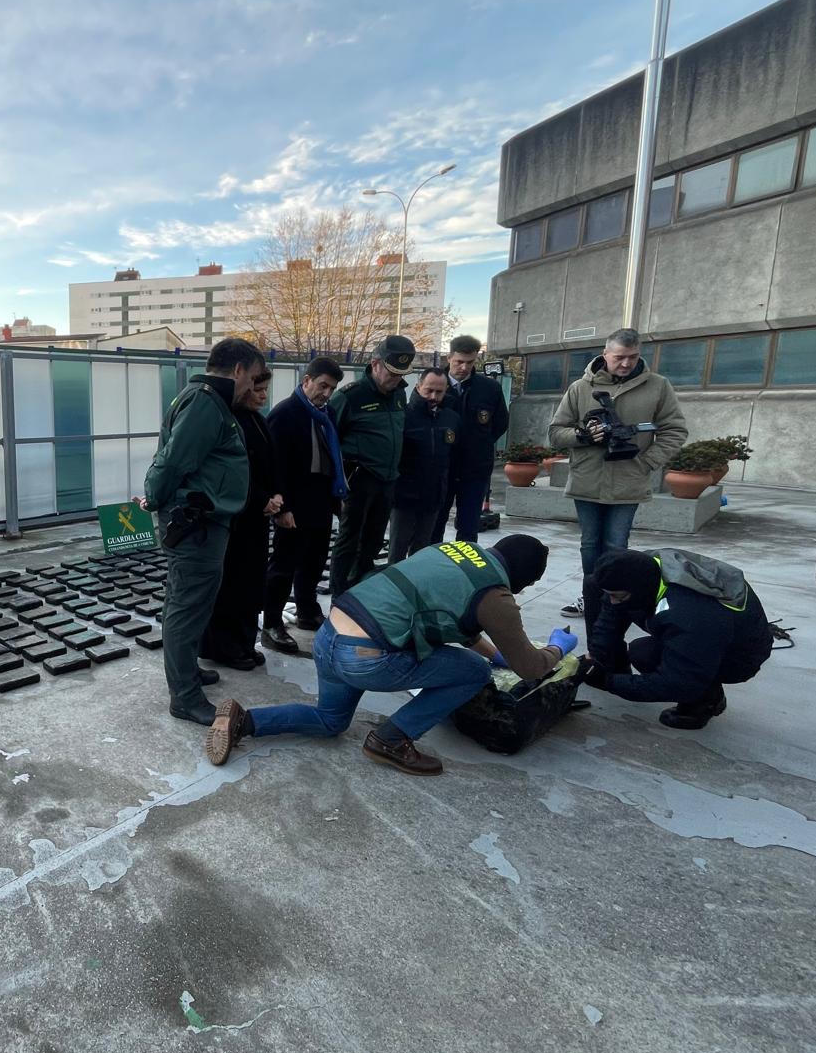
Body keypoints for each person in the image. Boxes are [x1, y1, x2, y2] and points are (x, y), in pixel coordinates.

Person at [205, 534, 577, 774]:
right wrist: (558, 647)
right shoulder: (497, 597)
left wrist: (493, 651)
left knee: (330, 721)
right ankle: (392, 740)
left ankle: (245, 720)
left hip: (329, 637)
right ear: (525, 579)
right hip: (365, 658)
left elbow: (446, 614)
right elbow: (528, 668)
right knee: (472, 672)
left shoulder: (450, 550)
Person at [143, 336, 267, 726]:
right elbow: (173, 462)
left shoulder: (211, 400)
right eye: (255, 376)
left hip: (205, 522)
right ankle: (184, 696)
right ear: (238, 370)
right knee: (186, 605)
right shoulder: (205, 402)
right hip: (195, 524)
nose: (254, 385)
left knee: (193, 602)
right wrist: (155, 498)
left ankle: (188, 673)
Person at [547, 327, 687, 628]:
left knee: (616, 545)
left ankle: (614, 603)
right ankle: (591, 595)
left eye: (632, 357)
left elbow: (675, 430)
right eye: (619, 357)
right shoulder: (580, 388)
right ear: (605, 354)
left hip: (628, 481)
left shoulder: (658, 386)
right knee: (590, 545)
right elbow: (556, 433)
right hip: (587, 480)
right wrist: (584, 436)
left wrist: (647, 462)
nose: (625, 363)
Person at [579, 548, 773, 729]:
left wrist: (610, 683)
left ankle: (706, 701)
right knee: (596, 588)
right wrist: (597, 656)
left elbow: (677, 683)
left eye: (618, 596)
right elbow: (609, 612)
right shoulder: (642, 568)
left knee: (645, 653)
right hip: (706, 629)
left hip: (739, 656)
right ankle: (612, 665)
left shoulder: (691, 614)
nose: (612, 601)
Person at [259, 356, 346, 655]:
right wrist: (282, 509)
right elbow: (274, 465)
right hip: (294, 500)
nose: (326, 392)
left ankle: (307, 612)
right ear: (306, 380)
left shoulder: (326, 413)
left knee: (313, 561)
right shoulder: (286, 413)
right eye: (322, 385)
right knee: (284, 565)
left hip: (320, 499)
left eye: (332, 388)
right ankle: (272, 625)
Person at [200, 369, 283, 670]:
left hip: (258, 516)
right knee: (232, 585)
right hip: (236, 516)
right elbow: (234, 474)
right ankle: (225, 648)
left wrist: (277, 496)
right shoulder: (229, 421)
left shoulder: (258, 420)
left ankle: (244, 643)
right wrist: (263, 498)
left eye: (265, 390)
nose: (262, 395)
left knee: (251, 584)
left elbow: (270, 465)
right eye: (257, 389)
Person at [326, 335, 414, 595]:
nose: (396, 379)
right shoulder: (350, 397)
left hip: (387, 479)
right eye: (392, 372)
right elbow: (330, 439)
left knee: (374, 540)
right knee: (348, 540)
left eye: (401, 374)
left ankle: (360, 590)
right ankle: (340, 595)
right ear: (375, 364)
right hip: (359, 479)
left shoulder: (399, 395)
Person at [431, 334, 509, 543]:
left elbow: (500, 424)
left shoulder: (489, 388)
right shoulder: (434, 385)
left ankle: (465, 572)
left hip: (475, 469)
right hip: (441, 469)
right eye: (459, 362)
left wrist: (478, 445)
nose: (464, 367)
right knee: (433, 525)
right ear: (449, 358)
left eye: (470, 362)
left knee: (468, 528)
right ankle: (431, 568)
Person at [388, 367, 460, 563]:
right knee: (397, 551)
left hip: (433, 496)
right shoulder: (403, 416)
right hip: (404, 496)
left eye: (440, 391)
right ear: (419, 386)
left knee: (422, 552)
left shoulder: (451, 418)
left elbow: (452, 456)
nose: (434, 396)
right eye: (429, 390)